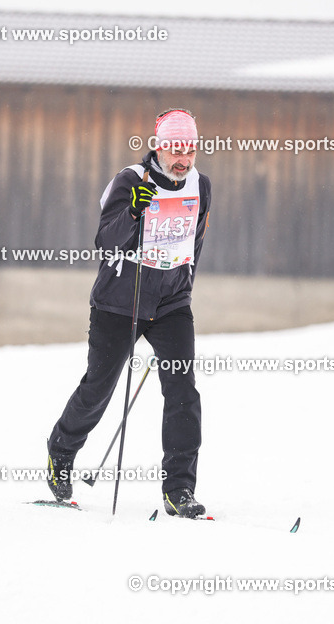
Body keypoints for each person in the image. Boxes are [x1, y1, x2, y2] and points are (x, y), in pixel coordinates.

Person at [46, 109, 212, 517]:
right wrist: (133, 213)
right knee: (98, 389)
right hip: (119, 303)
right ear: (159, 147)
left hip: (171, 305)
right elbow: (105, 242)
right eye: (175, 150)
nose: (183, 159)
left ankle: (179, 489)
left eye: (190, 150)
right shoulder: (131, 181)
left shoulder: (201, 186)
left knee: (183, 393)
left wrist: (183, 286)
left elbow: (194, 242)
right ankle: (60, 453)